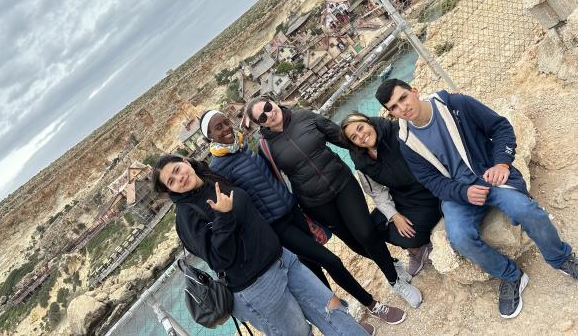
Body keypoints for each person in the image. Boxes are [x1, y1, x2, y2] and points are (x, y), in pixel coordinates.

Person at [375, 78, 578, 318]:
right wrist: (463, 193)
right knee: (460, 238)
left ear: (415, 92)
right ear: (391, 113)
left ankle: (561, 258)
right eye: (394, 107)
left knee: (526, 210)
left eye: (403, 98)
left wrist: (501, 164)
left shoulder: (455, 104)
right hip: (457, 194)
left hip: (488, 175)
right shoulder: (407, 142)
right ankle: (511, 276)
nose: (403, 107)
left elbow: (501, 128)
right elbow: (431, 181)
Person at [200, 109, 406, 325]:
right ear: (209, 137)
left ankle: (341, 321)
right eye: (218, 127)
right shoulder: (218, 169)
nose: (226, 128)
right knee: (332, 261)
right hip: (277, 226)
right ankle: (372, 305)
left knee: (314, 273)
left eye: (226, 122)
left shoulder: (244, 148)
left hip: (294, 211)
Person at [153, 154, 376, 336]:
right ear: (170, 191)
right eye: (171, 181)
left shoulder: (211, 178)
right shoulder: (186, 216)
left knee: (332, 308)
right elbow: (219, 260)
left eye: (177, 170)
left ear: (185, 162)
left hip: (282, 259)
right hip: (256, 287)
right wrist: (223, 217)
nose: (179, 178)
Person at [245, 96, 423, 309]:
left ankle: (395, 282)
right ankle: (392, 264)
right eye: (262, 117)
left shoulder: (305, 117)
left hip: (343, 184)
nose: (269, 114)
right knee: (354, 243)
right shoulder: (265, 148)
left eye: (268, 107)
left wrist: (375, 149)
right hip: (315, 203)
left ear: (274, 101)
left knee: (366, 233)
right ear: (259, 124)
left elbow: (342, 137)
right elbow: (273, 184)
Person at [340, 112, 442, 276]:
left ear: (369, 122)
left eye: (360, 128)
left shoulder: (397, 131)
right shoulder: (362, 162)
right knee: (372, 227)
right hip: (401, 195)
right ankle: (417, 250)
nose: (361, 136)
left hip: (427, 191)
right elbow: (377, 192)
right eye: (354, 137)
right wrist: (394, 215)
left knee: (411, 234)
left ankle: (418, 245)